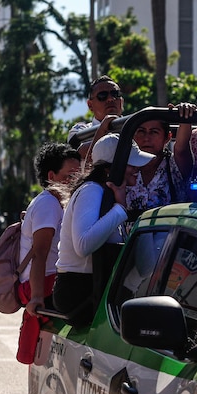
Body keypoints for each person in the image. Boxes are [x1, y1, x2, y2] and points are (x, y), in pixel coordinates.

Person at [52, 133, 154, 324]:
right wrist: (121, 209)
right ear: (112, 168)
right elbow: (83, 245)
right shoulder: (91, 190)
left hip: (95, 287)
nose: (137, 170)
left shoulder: (108, 193)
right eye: (131, 164)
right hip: (78, 293)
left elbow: (146, 265)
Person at [16, 143, 82, 364]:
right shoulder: (48, 205)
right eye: (70, 176)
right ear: (52, 176)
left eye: (79, 175)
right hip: (43, 284)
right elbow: (40, 254)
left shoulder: (54, 202)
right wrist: (36, 298)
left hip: (47, 281)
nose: (76, 181)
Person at [126, 119, 188, 214]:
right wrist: (104, 127)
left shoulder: (175, 164)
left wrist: (185, 115)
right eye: (141, 131)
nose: (146, 138)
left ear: (167, 137)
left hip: (169, 228)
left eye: (154, 132)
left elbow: (182, 149)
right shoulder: (125, 166)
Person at [67, 76, 126, 163]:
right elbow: (83, 157)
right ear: (90, 105)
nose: (111, 99)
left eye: (115, 94)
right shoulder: (80, 132)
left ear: (122, 101)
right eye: (102, 96)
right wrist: (103, 129)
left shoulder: (136, 126)